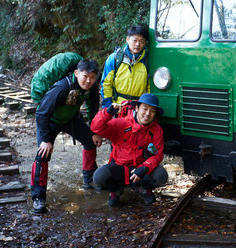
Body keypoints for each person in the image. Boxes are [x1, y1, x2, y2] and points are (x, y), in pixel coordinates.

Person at [31, 59, 103, 214]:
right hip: (50, 120)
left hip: (70, 119)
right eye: (85, 76)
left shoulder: (91, 88)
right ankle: (38, 197)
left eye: (92, 77)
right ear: (76, 73)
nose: (88, 81)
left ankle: (89, 178)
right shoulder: (62, 87)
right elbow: (41, 113)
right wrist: (45, 140)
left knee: (90, 141)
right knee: (43, 154)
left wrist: (94, 130)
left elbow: (93, 108)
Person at [90, 93, 168, 206]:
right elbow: (96, 127)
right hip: (120, 166)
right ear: (136, 108)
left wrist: (144, 168)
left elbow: (158, 154)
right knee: (99, 177)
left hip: (140, 168)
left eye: (152, 111)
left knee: (161, 175)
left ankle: (145, 189)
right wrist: (107, 113)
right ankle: (115, 190)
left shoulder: (156, 130)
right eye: (144, 109)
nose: (148, 114)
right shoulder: (122, 124)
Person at [100, 25, 150, 109]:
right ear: (127, 39)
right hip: (117, 106)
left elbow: (150, 87)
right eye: (134, 40)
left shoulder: (148, 61)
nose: (137, 44)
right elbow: (106, 84)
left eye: (141, 41)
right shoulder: (115, 59)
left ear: (145, 43)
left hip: (138, 108)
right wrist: (108, 107)